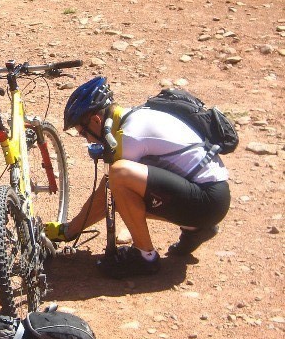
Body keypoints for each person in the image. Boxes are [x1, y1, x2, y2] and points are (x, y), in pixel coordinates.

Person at [45, 76, 231, 279]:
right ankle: (194, 228)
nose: (87, 139)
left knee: (119, 176)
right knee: (125, 187)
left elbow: (108, 194)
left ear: (96, 120)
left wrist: (68, 231)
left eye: (83, 133)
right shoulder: (135, 116)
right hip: (211, 194)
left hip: (207, 200)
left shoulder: (131, 134)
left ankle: (145, 257)